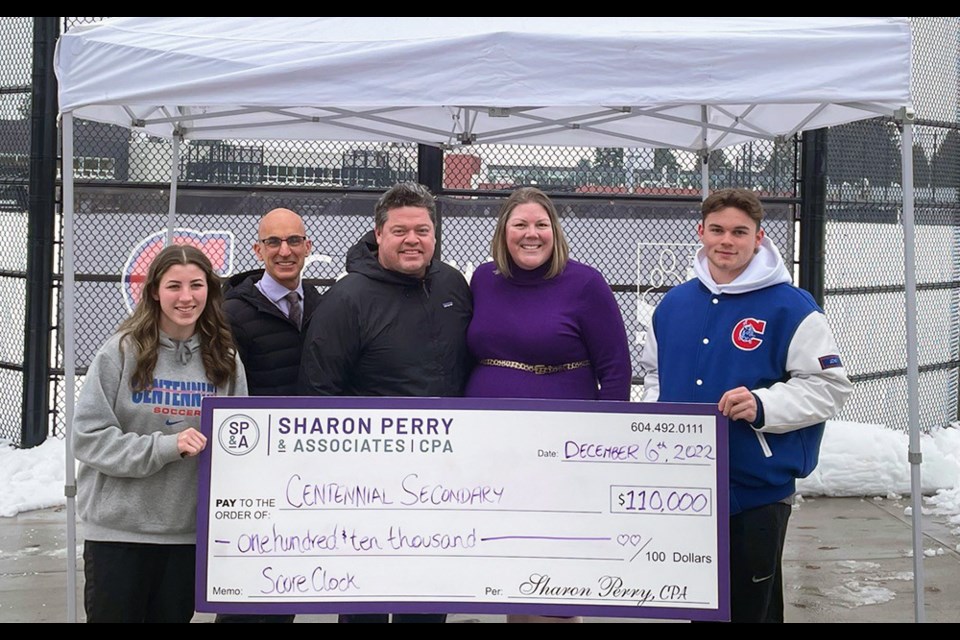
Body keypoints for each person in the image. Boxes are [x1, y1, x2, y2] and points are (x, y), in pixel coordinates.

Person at [639, 188, 852, 623]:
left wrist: (764, 405)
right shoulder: (674, 304)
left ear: (759, 238)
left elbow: (829, 387)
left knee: (753, 610)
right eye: (716, 230)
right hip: (687, 488)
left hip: (756, 489)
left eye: (739, 232)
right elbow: (655, 376)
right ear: (700, 232)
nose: (726, 241)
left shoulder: (791, 306)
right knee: (700, 606)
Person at [298, 182, 472, 623]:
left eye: (422, 230)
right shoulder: (347, 299)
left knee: (429, 600)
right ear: (378, 235)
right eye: (400, 231)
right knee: (365, 602)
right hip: (368, 487)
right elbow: (319, 392)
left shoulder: (453, 284)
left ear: (434, 234)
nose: (412, 240)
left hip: (443, 480)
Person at [465, 186, 631, 623]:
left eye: (541, 224)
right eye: (520, 224)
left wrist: (607, 444)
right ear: (503, 232)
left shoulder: (586, 283)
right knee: (506, 557)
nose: (530, 234)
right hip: (491, 445)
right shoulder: (483, 279)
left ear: (555, 231)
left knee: (554, 564)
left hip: (565, 448)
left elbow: (615, 368)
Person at [73, 244, 247, 623]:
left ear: (210, 291)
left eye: (197, 285)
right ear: (155, 291)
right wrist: (167, 446)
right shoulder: (121, 352)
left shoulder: (225, 359)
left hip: (185, 536)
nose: (186, 297)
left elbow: (238, 446)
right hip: (119, 535)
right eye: (174, 286)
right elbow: (87, 437)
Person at [216, 207, 321, 623]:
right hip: (252, 471)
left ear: (308, 247)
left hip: (302, 470)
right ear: (258, 249)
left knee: (284, 586)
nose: (285, 251)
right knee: (246, 591)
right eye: (274, 242)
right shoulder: (231, 313)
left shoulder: (321, 305)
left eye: (294, 241)